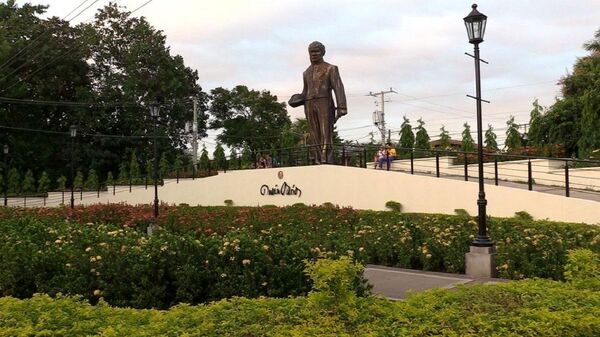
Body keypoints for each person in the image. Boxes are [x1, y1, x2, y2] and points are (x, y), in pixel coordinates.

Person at [288, 41, 347, 164]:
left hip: (324, 102)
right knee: (314, 132)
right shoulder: (306, 72)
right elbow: (305, 91)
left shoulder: (331, 68)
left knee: (326, 132)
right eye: (311, 52)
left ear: (322, 52)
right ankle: (317, 158)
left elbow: (338, 87)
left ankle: (326, 158)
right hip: (309, 103)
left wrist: (341, 106)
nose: (313, 54)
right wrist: (296, 99)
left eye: (316, 51)